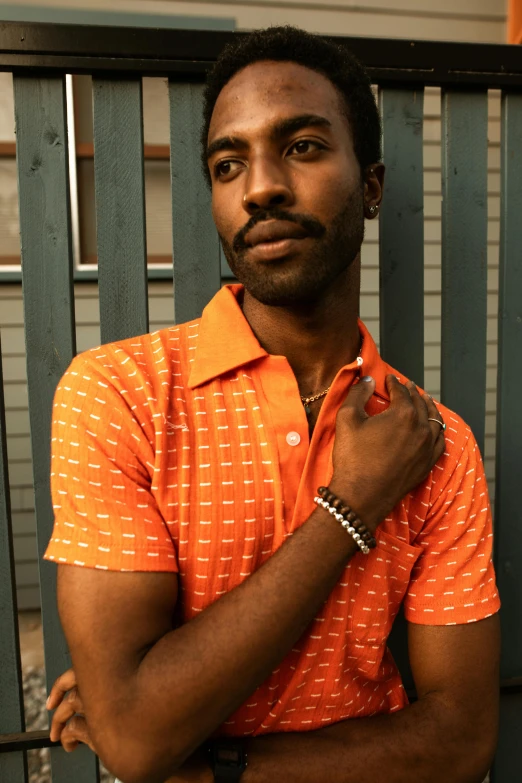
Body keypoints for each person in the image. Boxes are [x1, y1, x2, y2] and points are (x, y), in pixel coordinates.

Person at [44, 26, 500, 783]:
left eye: (304, 147)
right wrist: (350, 506)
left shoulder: (433, 442)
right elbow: (135, 731)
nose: (260, 187)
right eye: (229, 164)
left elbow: (459, 739)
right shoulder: (119, 394)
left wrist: (215, 765)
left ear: (372, 186)